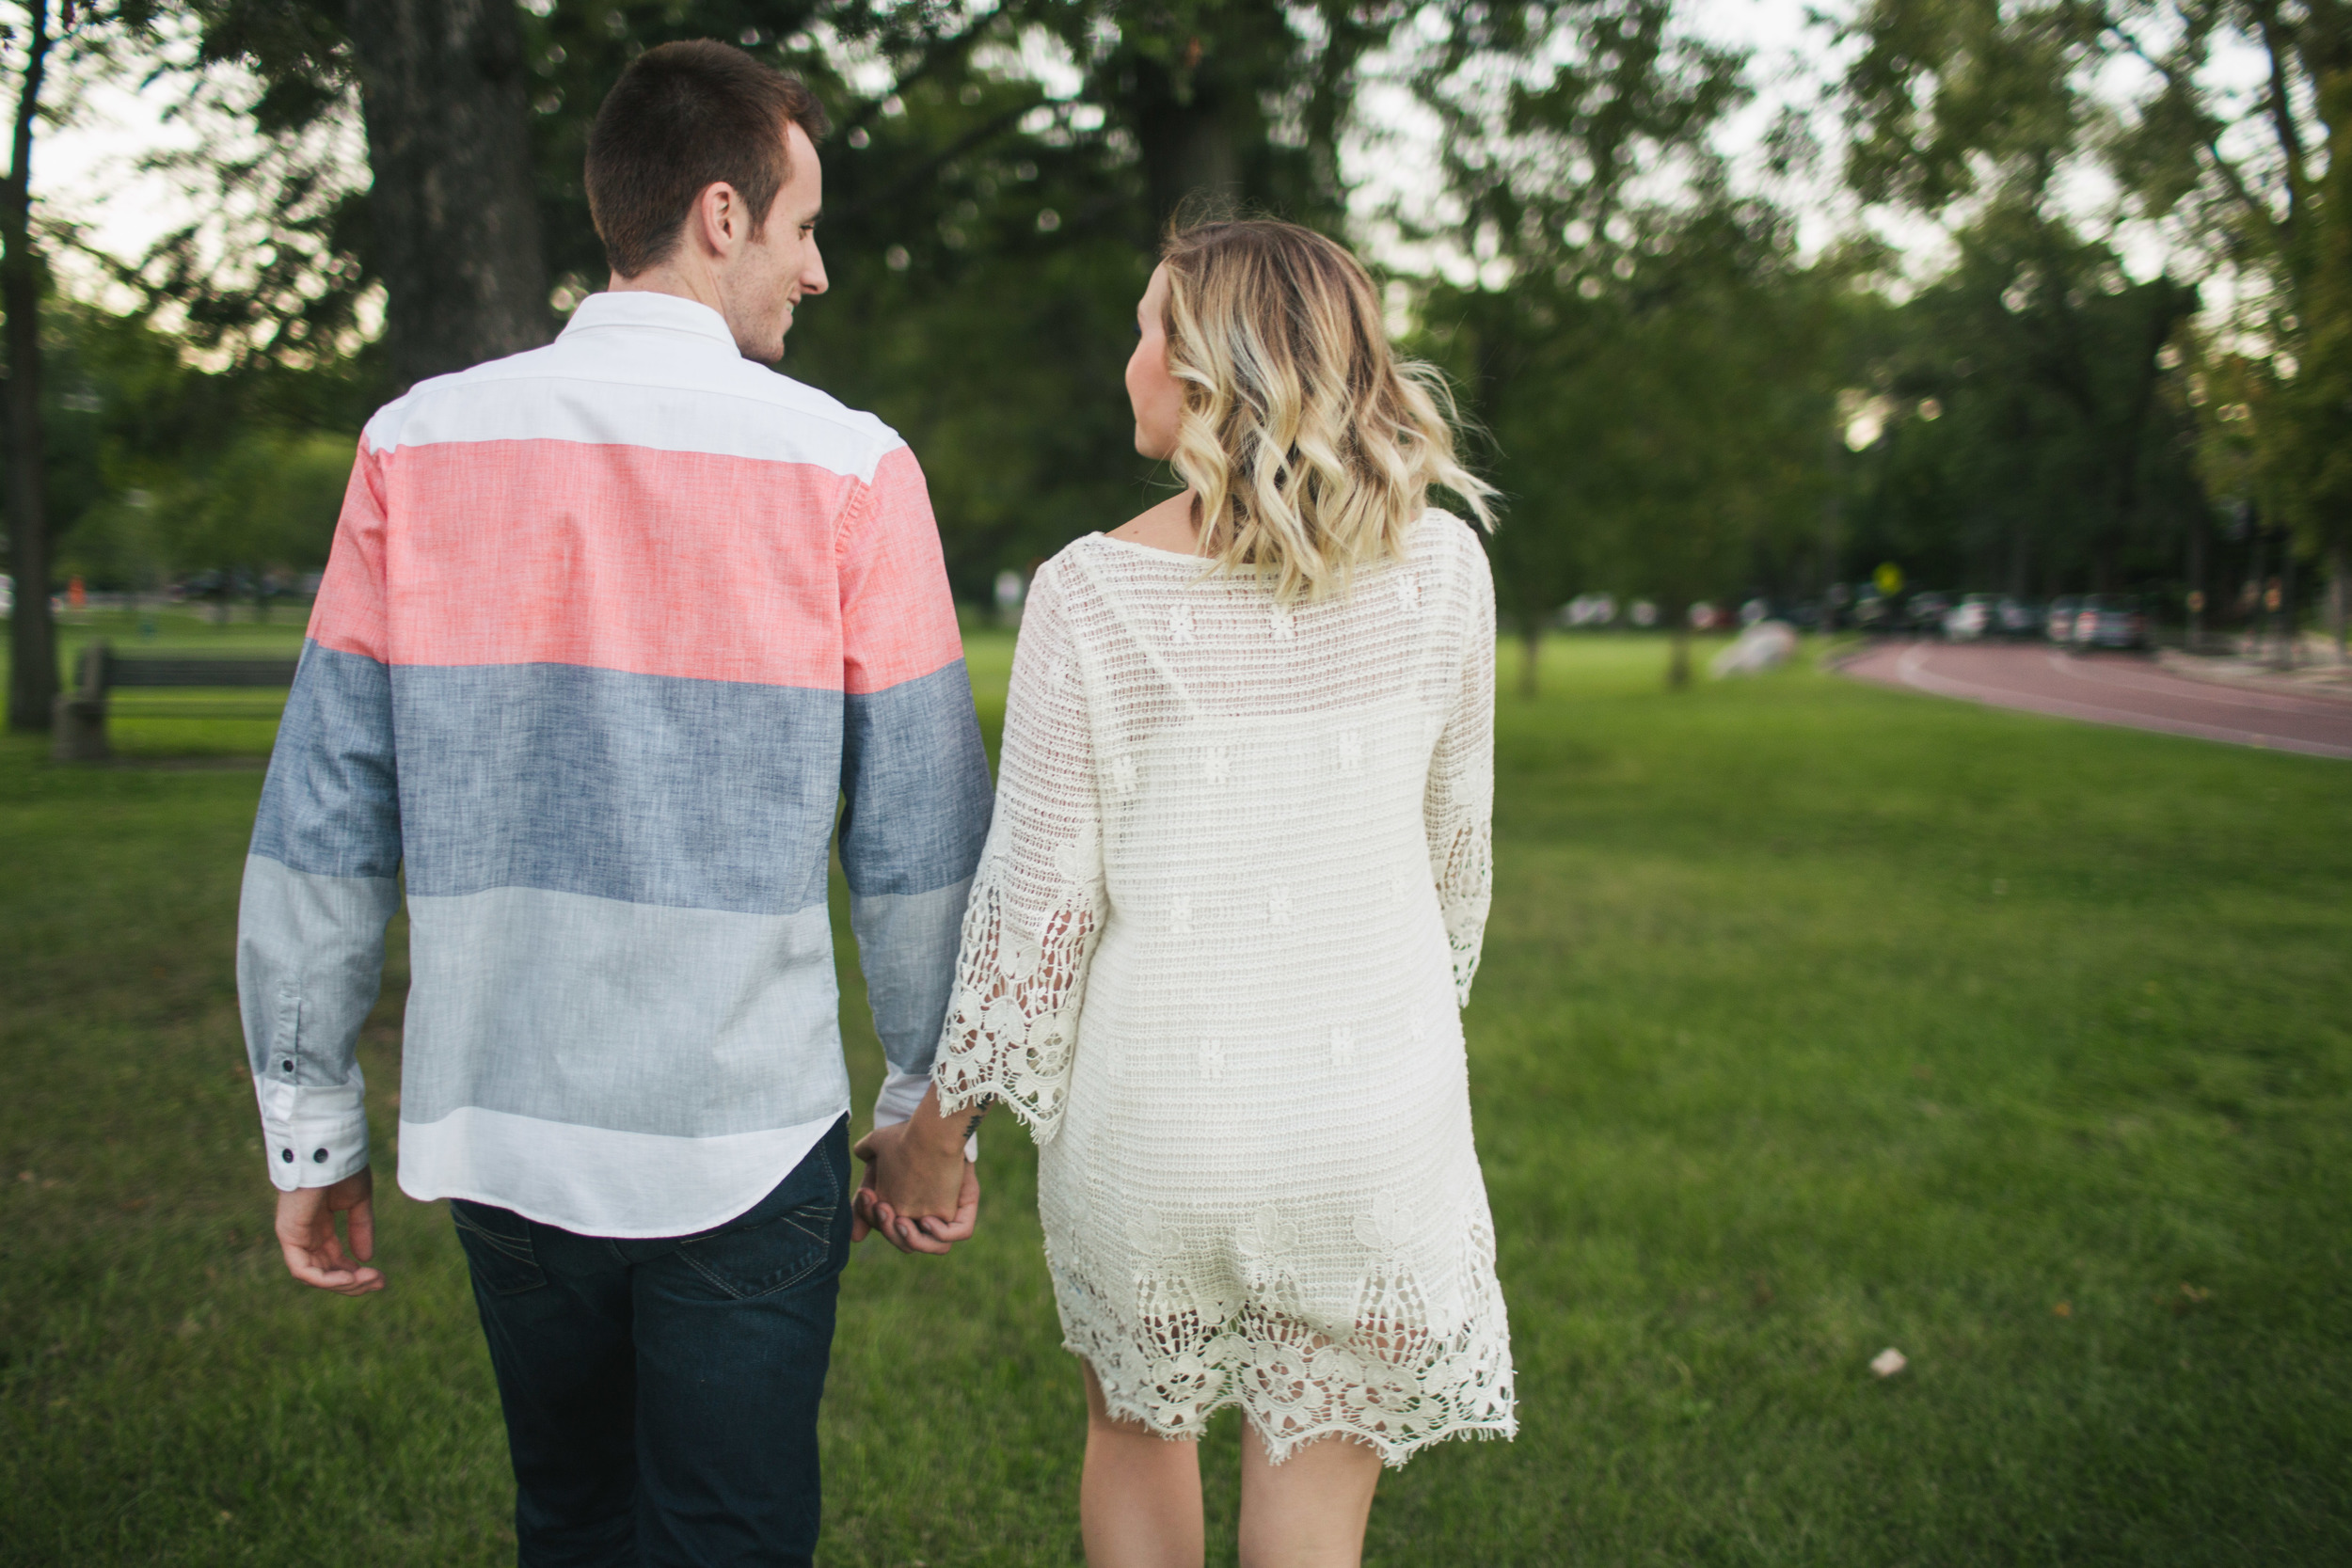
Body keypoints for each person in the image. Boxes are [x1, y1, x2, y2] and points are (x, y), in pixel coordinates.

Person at [237, 40, 991, 1566]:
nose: (820, 270)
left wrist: (311, 1128)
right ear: (721, 215)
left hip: (501, 1119)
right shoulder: (853, 469)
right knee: (730, 1535)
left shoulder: (413, 444)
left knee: (569, 1522)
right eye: (803, 227)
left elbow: (326, 812)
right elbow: (922, 849)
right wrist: (924, 1110)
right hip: (743, 1131)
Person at [866, 219, 1516, 1568]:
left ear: (1212, 369)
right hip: (1372, 1125)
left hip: (1158, 1130)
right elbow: (1457, 861)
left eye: (1149, 328)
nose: (1130, 361)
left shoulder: (1088, 596)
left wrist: (939, 1133)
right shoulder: (1448, 568)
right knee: (1312, 1528)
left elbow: (1035, 921)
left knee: (1135, 1438)